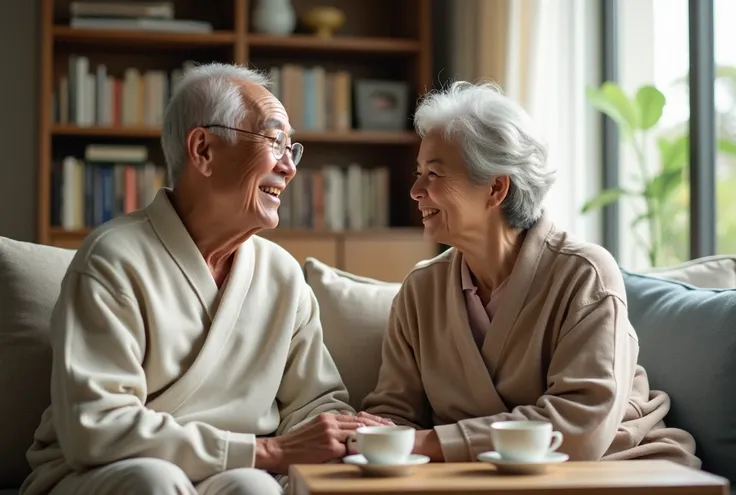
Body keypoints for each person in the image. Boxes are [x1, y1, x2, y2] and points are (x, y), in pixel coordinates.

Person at [21, 63, 388, 495]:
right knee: (154, 479)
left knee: (255, 488)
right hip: (100, 472)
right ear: (204, 150)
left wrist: (349, 428)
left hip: (233, 472)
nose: (289, 167)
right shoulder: (113, 259)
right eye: (274, 142)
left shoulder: (282, 275)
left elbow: (313, 403)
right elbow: (97, 427)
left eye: (292, 148)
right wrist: (266, 451)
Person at [361, 81, 701, 468]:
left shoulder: (584, 275)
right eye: (418, 172)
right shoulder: (421, 289)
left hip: (613, 467)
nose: (416, 190)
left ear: (496, 188)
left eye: (434, 175)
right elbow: (391, 415)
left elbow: (579, 429)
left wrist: (431, 444)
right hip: (478, 475)